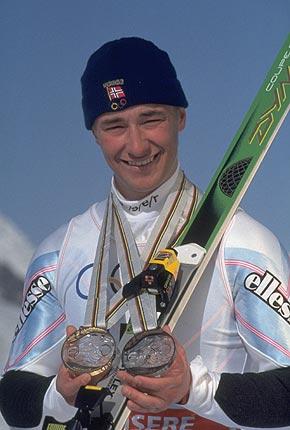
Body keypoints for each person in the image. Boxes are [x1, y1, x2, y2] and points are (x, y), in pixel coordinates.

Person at [0, 37, 290, 430]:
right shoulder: (60, 251)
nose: (136, 145)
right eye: (114, 125)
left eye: (151, 118)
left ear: (180, 117)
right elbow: (13, 394)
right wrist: (60, 394)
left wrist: (192, 389)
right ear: (95, 134)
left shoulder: (241, 244)